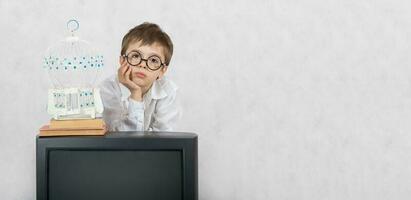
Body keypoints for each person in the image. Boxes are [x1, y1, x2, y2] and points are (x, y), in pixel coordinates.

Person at [99, 22, 181, 131]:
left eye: (153, 60)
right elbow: (119, 139)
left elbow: (165, 140)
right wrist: (135, 94)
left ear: (162, 71)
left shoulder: (168, 91)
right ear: (122, 60)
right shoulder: (108, 89)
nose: (142, 64)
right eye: (136, 56)